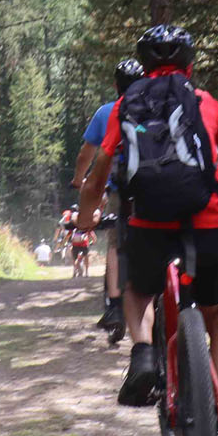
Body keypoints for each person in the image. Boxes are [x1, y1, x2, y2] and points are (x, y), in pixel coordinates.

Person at [76, 24, 218, 436]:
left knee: (138, 291)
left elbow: (99, 173)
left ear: (144, 67)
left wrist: (86, 218)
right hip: (206, 221)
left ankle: (143, 353)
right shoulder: (205, 103)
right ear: (189, 65)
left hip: (149, 223)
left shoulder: (126, 105)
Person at [73, 57, 144, 330]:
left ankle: (114, 305)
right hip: (160, 185)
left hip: (123, 190)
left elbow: (86, 154)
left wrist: (78, 180)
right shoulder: (156, 108)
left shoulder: (106, 112)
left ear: (116, 85)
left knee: (116, 243)